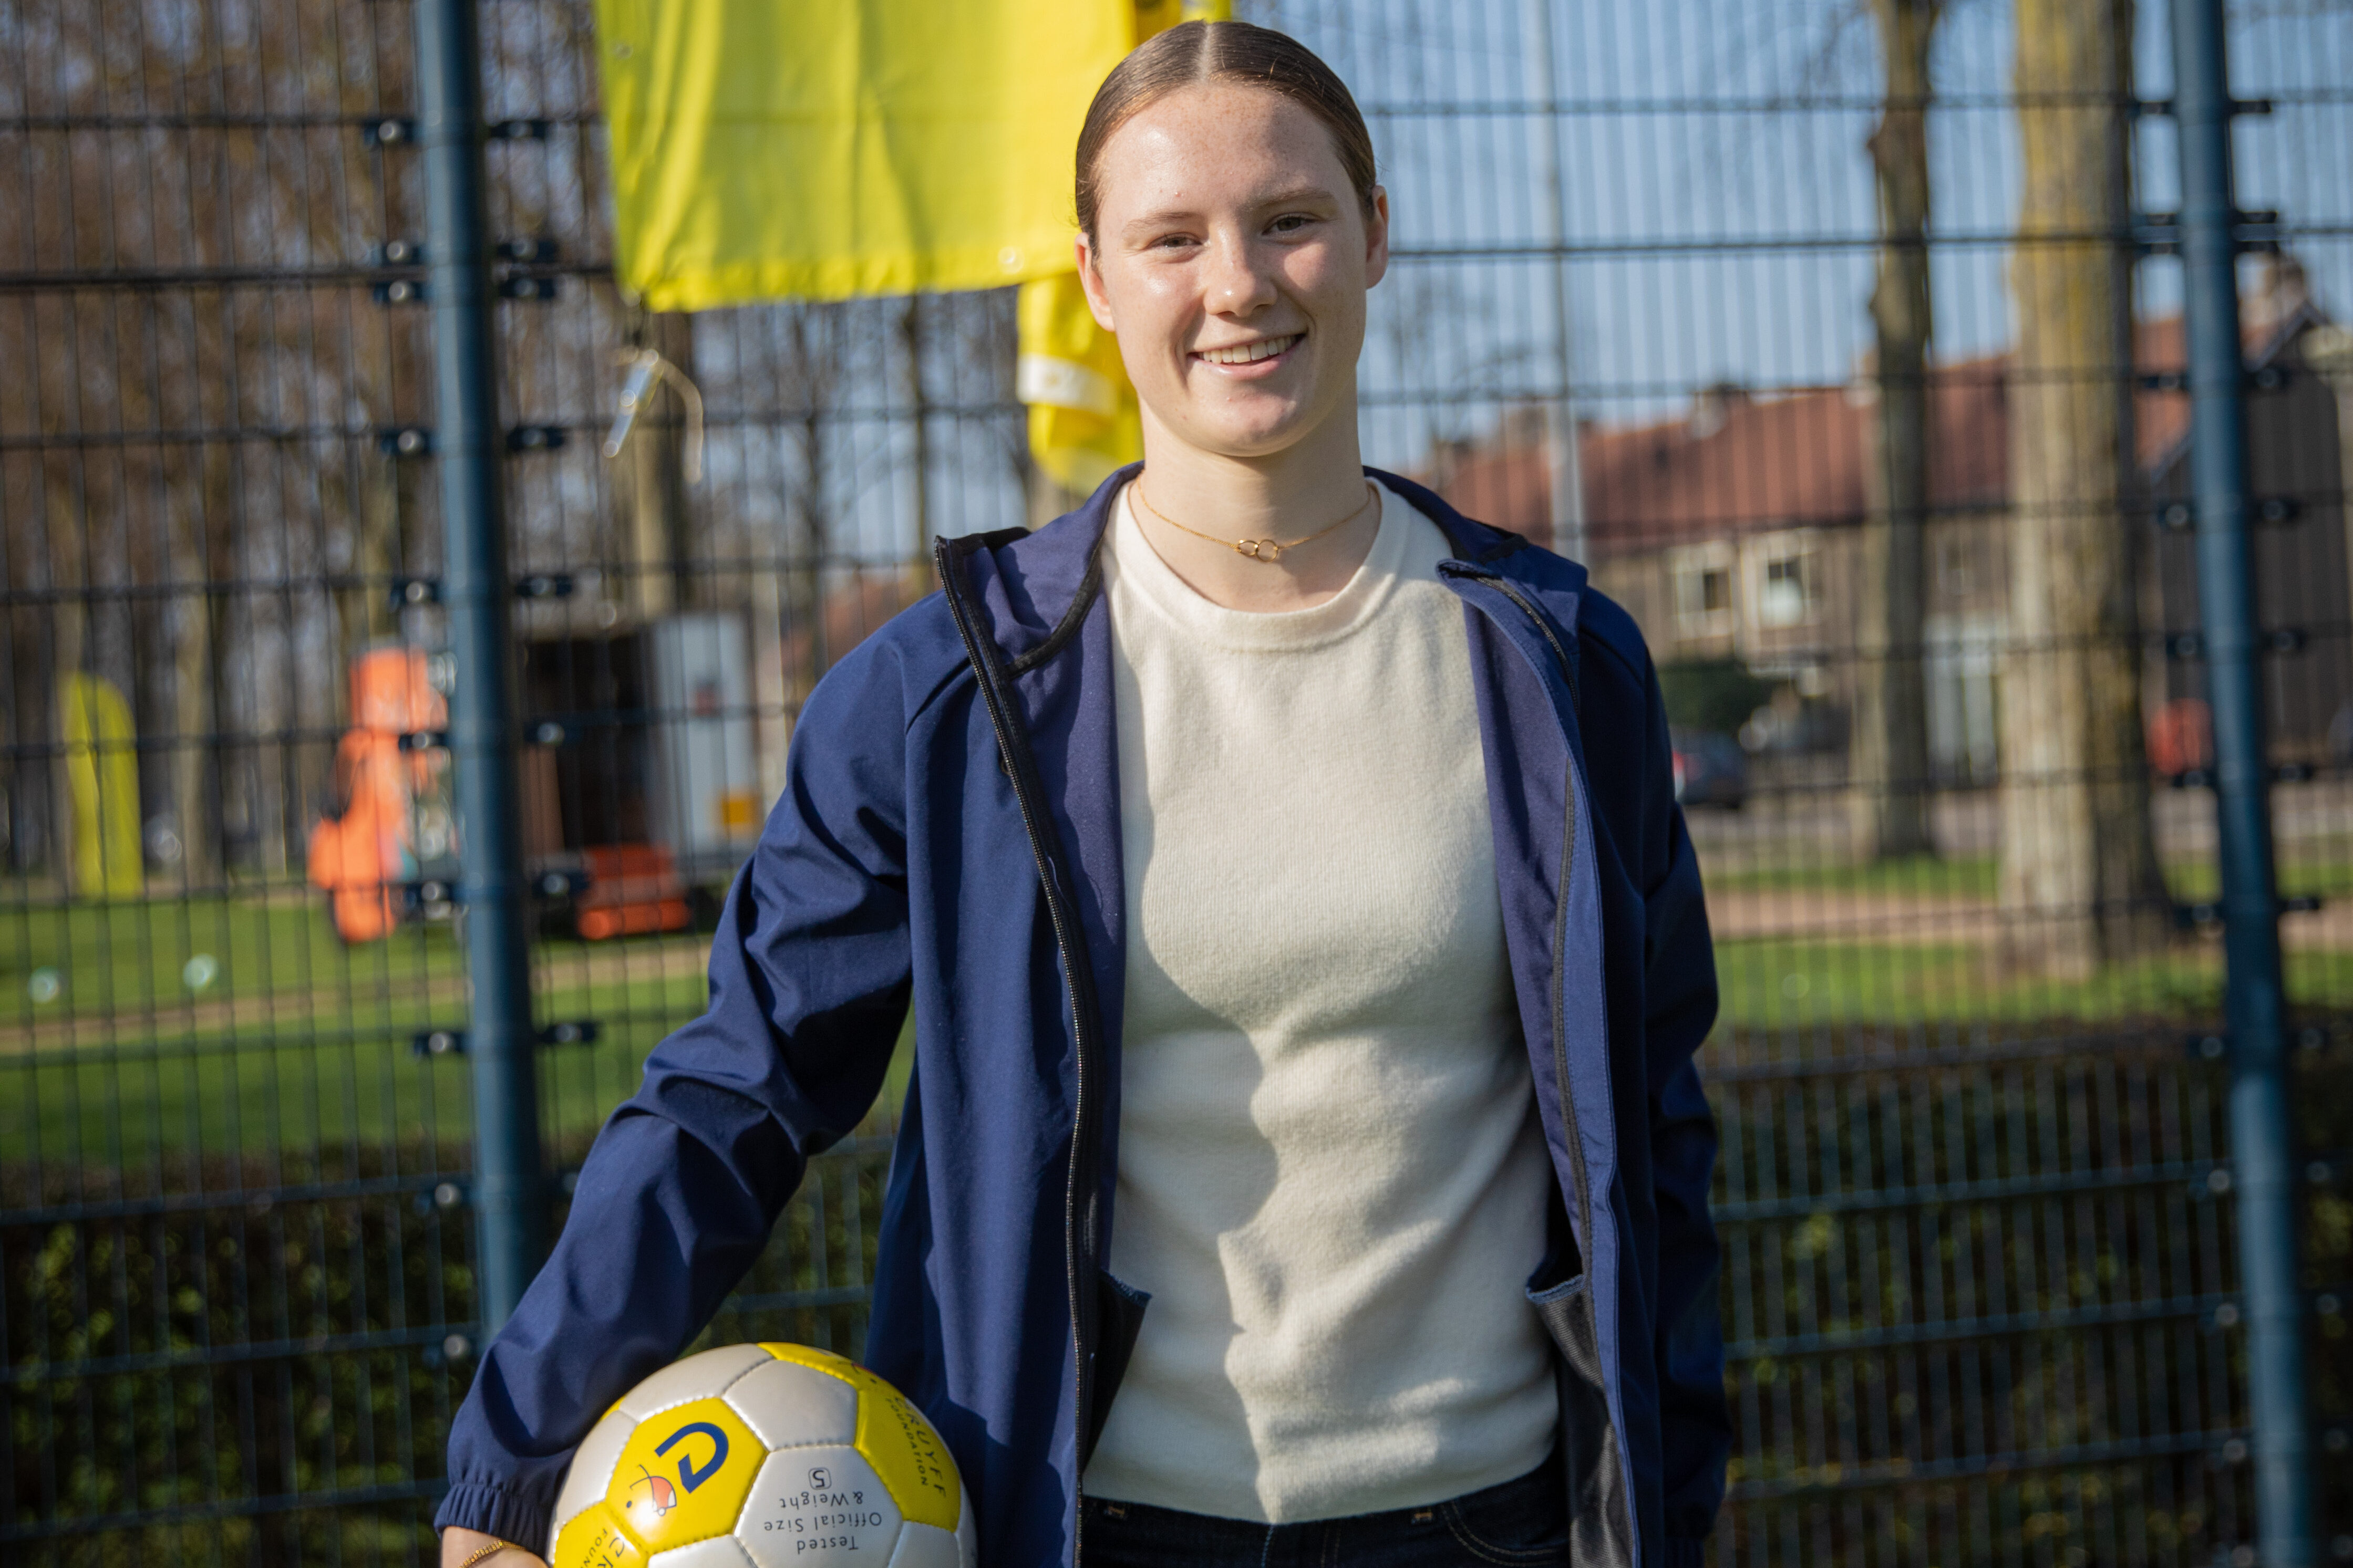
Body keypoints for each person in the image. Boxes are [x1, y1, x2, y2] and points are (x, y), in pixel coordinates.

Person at [437, 20, 1727, 1568]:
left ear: (1375, 236)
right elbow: (742, 1084)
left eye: (1290, 220)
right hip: (1090, 1529)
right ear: (1098, 279)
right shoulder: (949, 693)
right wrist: (516, 1460)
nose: (1238, 283)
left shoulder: (1560, 657)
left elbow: (1654, 1128)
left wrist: (1674, 1483)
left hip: (1495, 1524)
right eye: (1171, 237)